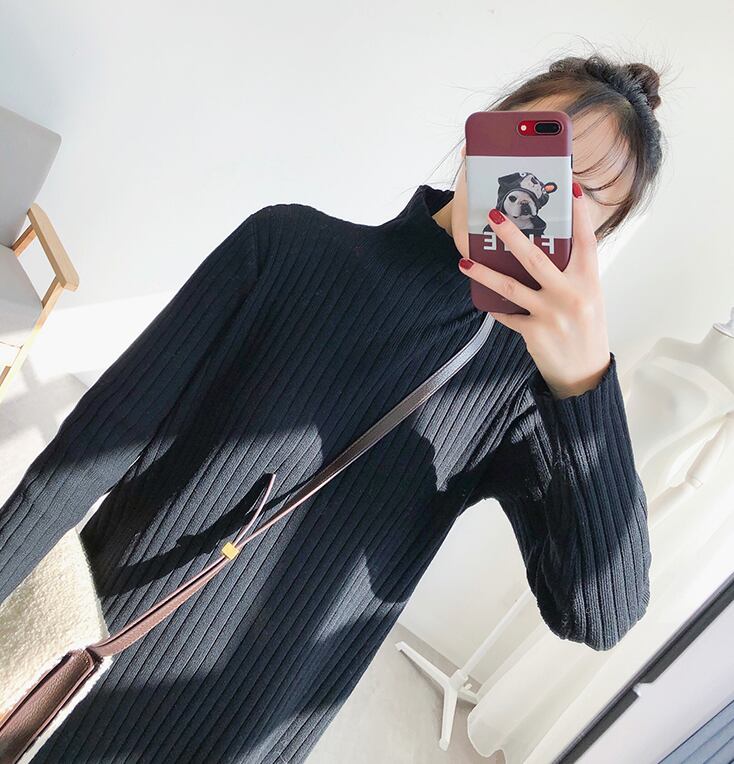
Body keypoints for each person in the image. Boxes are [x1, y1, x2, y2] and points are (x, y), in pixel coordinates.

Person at [0, 53, 664, 763]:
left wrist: (585, 384)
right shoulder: (287, 247)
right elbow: (87, 454)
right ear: (486, 133)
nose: (539, 192)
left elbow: (600, 614)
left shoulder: (524, 392)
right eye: (541, 149)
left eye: (582, 193)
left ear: (594, 238)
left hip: (248, 739)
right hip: (88, 667)